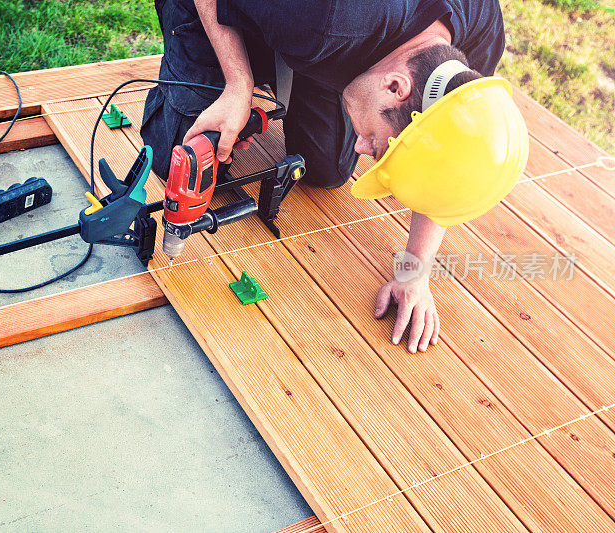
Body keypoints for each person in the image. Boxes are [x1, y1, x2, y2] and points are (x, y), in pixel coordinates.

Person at [141, 0, 528, 354]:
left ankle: (277, 41)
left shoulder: (476, 45)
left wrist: (414, 271)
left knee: (325, 169)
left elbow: (445, 169)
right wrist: (237, 84)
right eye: (376, 143)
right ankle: (260, 43)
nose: (362, 149)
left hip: (321, 32)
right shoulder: (325, 18)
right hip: (288, 18)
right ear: (395, 87)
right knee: (177, 151)